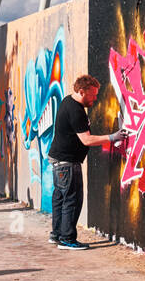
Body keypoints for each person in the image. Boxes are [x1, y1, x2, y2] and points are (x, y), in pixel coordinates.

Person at [46, 75, 126, 250]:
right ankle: (67, 239)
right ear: (81, 92)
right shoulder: (75, 110)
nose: (95, 98)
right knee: (72, 200)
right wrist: (113, 137)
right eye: (93, 95)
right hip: (67, 162)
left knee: (61, 199)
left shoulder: (69, 102)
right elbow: (87, 140)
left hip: (60, 160)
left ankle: (57, 234)